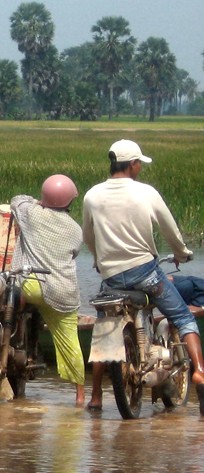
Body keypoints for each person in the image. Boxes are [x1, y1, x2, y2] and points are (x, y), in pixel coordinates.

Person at [82, 139, 204, 413]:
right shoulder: (146, 193)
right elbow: (170, 230)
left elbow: (88, 237)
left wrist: (100, 261)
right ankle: (200, 372)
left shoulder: (92, 195)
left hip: (111, 277)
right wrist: (182, 252)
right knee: (184, 318)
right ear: (133, 164)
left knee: (104, 330)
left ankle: (97, 395)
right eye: (139, 164)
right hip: (145, 273)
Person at [10, 175, 85, 405]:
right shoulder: (75, 230)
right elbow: (74, 254)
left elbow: (16, 200)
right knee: (70, 340)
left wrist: (37, 202)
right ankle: (81, 395)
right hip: (62, 291)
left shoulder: (31, 213)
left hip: (30, 286)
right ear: (69, 201)